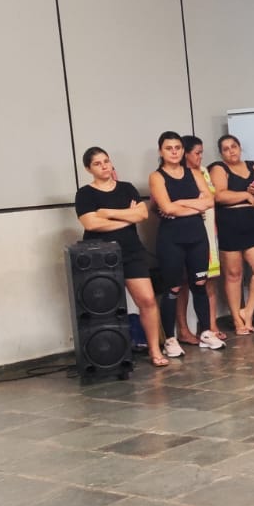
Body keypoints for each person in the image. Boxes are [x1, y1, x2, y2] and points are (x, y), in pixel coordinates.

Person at [74, 146, 166, 367]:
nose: (104, 166)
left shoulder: (126, 188)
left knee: (147, 300)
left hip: (132, 252)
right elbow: (91, 223)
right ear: (88, 169)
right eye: (97, 163)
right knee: (104, 307)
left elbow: (142, 213)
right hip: (101, 256)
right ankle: (108, 356)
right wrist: (127, 217)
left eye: (106, 161)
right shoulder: (85, 194)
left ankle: (154, 350)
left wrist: (108, 213)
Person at [148, 131, 216, 358]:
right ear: (161, 151)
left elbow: (209, 201)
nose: (174, 152)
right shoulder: (157, 177)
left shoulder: (194, 173)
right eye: (169, 148)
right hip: (172, 239)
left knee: (200, 283)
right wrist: (195, 205)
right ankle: (170, 339)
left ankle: (206, 332)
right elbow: (166, 208)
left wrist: (181, 204)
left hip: (197, 236)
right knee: (173, 288)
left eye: (178, 147)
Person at [211, 133, 254, 335]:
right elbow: (219, 195)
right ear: (221, 153)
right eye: (226, 149)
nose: (231, 151)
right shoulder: (219, 168)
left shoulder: (252, 166)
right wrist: (246, 194)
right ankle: (237, 320)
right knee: (234, 274)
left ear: (240, 147)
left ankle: (248, 310)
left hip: (252, 223)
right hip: (229, 224)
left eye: (234, 146)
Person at [177, 135, 226, 349]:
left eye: (201, 153)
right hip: (184, 232)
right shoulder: (176, 175)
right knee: (183, 282)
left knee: (207, 280)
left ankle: (210, 326)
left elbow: (209, 200)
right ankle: (183, 329)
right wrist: (195, 204)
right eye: (196, 153)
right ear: (185, 153)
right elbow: (170, 205)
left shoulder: (203, 172)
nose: (200, 157)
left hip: (208, 230)